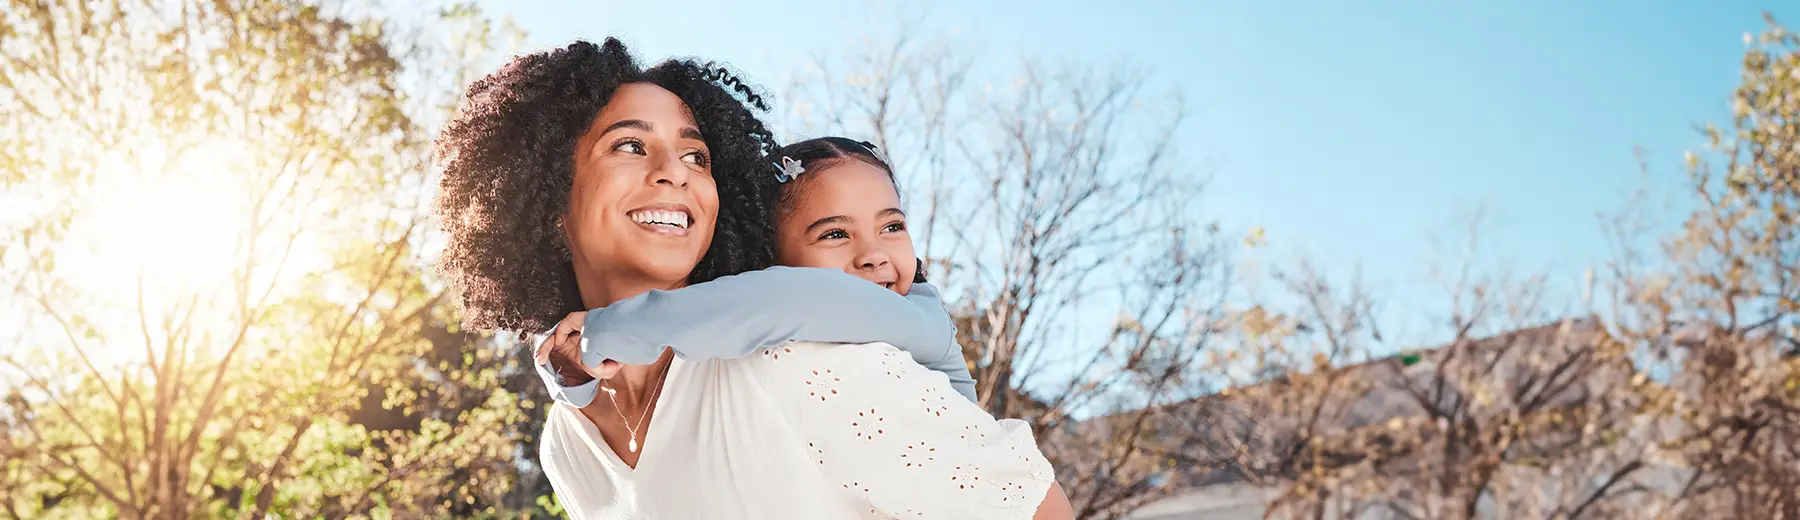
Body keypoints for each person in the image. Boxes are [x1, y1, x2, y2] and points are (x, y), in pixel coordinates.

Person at [434, 39, 1072, 519]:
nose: (675, 171)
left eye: (696, 155)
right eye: (630, 145)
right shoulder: (566, 445)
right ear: (541, 191)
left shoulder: (803, 361)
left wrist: (607, 332)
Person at [531, 137, 976, 404]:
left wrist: (613, 329)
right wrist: (574, 376)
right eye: (836, 234)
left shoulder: (923, 318)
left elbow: (786, 299)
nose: (875, 254)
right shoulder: (762, 345)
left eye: (892, 225)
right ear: (768, 260)